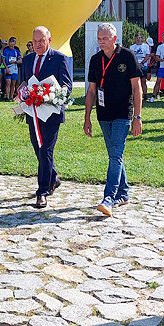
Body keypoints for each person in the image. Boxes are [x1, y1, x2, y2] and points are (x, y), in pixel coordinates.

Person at [84, 23, 142, 217]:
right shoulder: (95, 60)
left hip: (123, 113)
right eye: (99, 38)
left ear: (114, 38)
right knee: (114, 154)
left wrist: (137, 117)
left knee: (115, 155)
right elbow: (91, 90)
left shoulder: (127, 56)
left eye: (105, 38)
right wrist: (87, 118)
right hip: (103, 113)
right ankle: (123, 193)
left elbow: (137, 88)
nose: (101, 42)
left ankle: (108, 198)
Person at [21, 26, 72, 209]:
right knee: (38, 149)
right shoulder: (27, 60)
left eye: (41, 41)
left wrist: (48, 96)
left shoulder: (59, 59)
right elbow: (24, 84)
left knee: (45, 150)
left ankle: (42, 192)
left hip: (51, 114)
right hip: (33, 114)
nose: (37, 45)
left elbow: (67, 86)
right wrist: (23, 95)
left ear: (49, 40)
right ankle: (53, 177)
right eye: (34, 41)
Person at [130, 32, 152, 101]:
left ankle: (145, 95)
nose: (138, 39)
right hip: (135, 65)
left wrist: (142, 63)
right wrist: (136, 64)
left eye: (139, 38)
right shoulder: (132, 47)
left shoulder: (145, 46)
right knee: (135, 81)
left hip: (143, 65)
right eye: (136, 38)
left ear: (141, 39)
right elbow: (131, 57)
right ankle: (134, 95)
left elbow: (148, 55)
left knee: (143, 80)